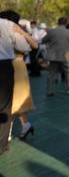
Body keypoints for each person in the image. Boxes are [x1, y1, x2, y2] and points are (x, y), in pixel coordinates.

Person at [0, 16, 31, 154]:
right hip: (6, 66)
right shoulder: (9, 25)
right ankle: (2, 143)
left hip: (10, 66)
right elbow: (25, 47)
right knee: (6, 106)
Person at [43, 17, 69, 96]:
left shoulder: (52, 31)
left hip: (53, 56)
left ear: (58, 22)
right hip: (66, 56)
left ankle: (49, 91)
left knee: (51, 74)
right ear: (66, 23)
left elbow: (44, 40)